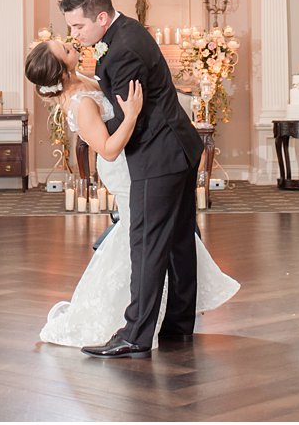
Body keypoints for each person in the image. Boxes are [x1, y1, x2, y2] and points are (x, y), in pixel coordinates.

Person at [26, 36, 238, 352]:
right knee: (139, 233)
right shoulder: (80, 103)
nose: (73, 47)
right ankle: (129, 315)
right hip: (122, 168)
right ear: (60, 73)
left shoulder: (80, 80)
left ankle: (163, 313)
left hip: (131, 162)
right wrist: (133, 114)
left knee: (147, 232)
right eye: (67, 50)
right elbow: (109, 150)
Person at [60, 0, 212, 358]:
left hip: (159, 157)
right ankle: (178, 325)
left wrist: (99, 135)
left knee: (145, 243)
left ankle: (135, 335)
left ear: (101, 17)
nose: (75, 35)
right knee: (177, 241)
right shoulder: (127, 32)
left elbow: (133, 116)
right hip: (178, 149)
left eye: (78, 27)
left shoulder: (122, 49)